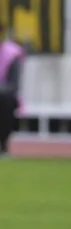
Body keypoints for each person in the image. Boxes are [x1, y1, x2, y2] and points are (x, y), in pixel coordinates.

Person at [0, 22, 25, 156]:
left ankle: (3, 144)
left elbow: (13, 85)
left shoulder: (12, 54)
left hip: (5, 97)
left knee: (5, 101)